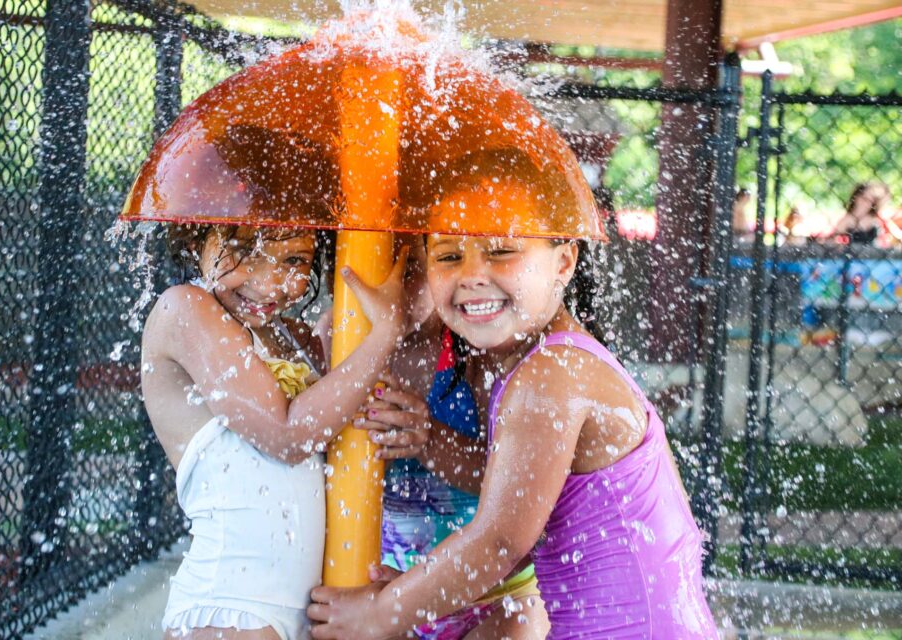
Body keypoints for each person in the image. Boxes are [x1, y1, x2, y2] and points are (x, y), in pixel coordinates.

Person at [307, 148, 718, 639]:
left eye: (501, 249)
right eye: (447, 255)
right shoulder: (541, 364)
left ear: (564, 261)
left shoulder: (551, 377)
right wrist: (417, 592)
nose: (473, 274)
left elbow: (499, 540)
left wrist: (381, 615)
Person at [142, 221, 407, 637]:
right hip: (231, 606)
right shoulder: (185, 310)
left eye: (295, 259)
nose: (270, 282)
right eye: (245, 250)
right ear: (196, 242)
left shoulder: (295, 336)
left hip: (305, 610)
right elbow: (287, 437)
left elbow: (333, 452)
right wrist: (385, 334)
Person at [319, 234, 550, 639]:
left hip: (492, 596)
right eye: (375, 272)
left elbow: (516, 484)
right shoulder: (335, 341)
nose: (390, 290)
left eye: (408, 271)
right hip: (385, 590)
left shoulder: (475, 349)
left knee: (526, 618)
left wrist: (430, 440)